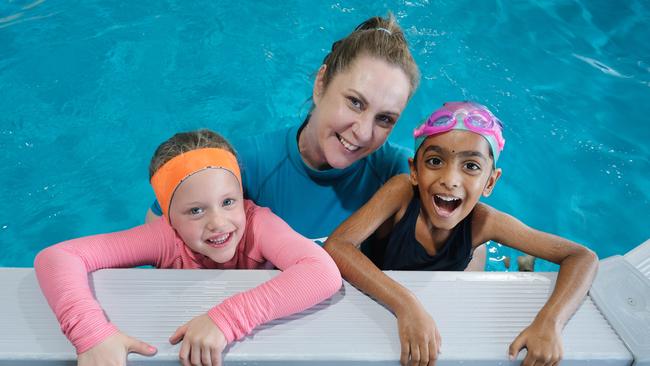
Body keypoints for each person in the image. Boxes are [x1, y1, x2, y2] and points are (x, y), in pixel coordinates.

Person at [34, 129, 342, 366]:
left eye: (228, 202)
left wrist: (227, 319)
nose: (218, 223)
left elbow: (323, 273)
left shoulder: (259, 225)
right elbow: (58, 257)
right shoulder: (165, 237)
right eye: (196, 211)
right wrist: (90, 335)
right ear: (170, 218)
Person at [324, 102, 599, 366]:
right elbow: (337, 246)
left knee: (475, 265)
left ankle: (505, 260)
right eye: (434, 161)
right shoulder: (401, 194)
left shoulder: (485, 221)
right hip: (394, 279)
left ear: (490, 181)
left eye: (471, 166)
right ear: (414, 171)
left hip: (455, 264)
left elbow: (582, 257)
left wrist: (550, 322)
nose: (450, 179)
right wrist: (405, 303)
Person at [145, 14, 419, 241]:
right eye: (355, 102)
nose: (363, 132)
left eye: (385, 119)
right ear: (321, 84)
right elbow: (158, 222)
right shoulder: (248, 165)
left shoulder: (399, 171)